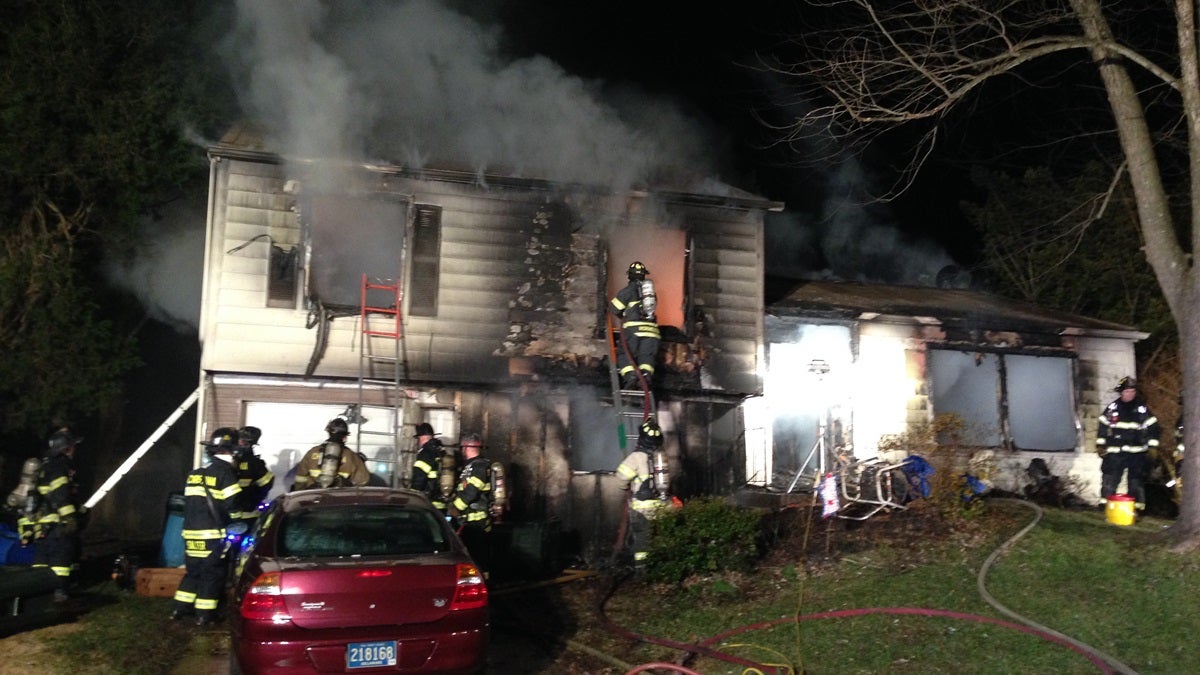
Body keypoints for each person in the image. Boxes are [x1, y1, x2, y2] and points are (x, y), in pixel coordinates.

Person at [172, 427, 242, 626]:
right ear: (231, 451)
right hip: (213, 535)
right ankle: (204, 615)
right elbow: (233, 506)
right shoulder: (226, 475)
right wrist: (239, 522)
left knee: (193, 572)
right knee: (212, 574)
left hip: (190, 534)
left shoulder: (194, 475)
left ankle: (179, 609)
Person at [28, 429, 85, 602]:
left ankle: (38, 595)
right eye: (73, 446)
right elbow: (61, 495)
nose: (74, 450)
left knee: (41, 562)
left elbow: (35, 498)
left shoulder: (44, 466)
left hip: (43, 525)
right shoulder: (61, 466)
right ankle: (59, 593)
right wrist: (70, 518)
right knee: (61, 561)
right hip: (58, 525)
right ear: (67, 448)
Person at [615, 417, 676, 566]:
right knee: (662, 538)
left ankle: (643, 571)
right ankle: (665, 566)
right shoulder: (662, 457)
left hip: (642, 509)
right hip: (663, 505)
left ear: (642, 438)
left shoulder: (636, 457)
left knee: (642, 542)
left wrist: (624, 487)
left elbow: (621, 476)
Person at [1097, 376, 1161, 512]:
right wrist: (1100, 445)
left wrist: (1153, 447)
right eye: (1127, 391)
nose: (1130, 394)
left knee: (1136, 481)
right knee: (1110, 479)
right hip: (1115, 452)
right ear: (1121, 392)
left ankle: (1136, 509)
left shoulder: (1142, 410)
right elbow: (1102, 427)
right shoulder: (1112, 408)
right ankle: (1105, 506)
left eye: (1132, 391)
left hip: (1137, 453)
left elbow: (1154, 428)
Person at [609, 260, 661, 390]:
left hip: (634, 330)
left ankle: (631, 377)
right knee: (646, 357)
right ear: (644, 275)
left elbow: (614, 308)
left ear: (629, 276)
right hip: (652, 331)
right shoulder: (651, 294)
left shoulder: (627, 291)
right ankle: (646, 377)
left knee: (625, 355)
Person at [449, 433, 493, 573]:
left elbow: (471, 492)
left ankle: (483, 585)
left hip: (478, 522)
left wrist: (456, 507)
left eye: (463, 447)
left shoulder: (479, 466)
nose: (461, 450)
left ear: (467, 447)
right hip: (469, 521)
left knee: (478, 557)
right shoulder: (470, 466)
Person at [291, 418, 373, 490]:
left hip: (313, 498)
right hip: (338, 501)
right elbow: (363, 482)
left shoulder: (313, 452)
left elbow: (300, 478)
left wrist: (299, 494)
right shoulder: (351, 456)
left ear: (329, 433)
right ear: (345, 437)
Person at [231, 426, 274, 532]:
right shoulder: (254, 463)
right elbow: (267, 484)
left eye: (242, 441)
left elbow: (267, 483)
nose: (239, 443)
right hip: (241, 515)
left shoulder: (253, 463)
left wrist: (252, 498)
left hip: (244, 515)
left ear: (248, 444)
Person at [411, 422, 449, 511]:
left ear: (422, 437)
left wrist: (412, 496)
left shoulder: (426, 453)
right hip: (441, 502)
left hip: (428, 502)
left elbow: (419, 477)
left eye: (418, 438)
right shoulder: (440, 449)